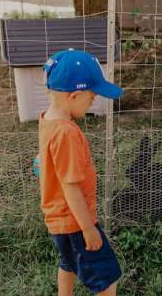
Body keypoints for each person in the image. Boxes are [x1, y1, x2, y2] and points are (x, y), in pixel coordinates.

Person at [38, 49, 123, 295]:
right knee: (107, 279)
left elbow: (46, 162)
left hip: (59, 220)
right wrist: (88, 228)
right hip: (75, 222)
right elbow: (71, 187)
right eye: (92, 97)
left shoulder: (47, 121)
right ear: (74, 96)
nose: (93, 102)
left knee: (68, 263)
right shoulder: (67, 133)